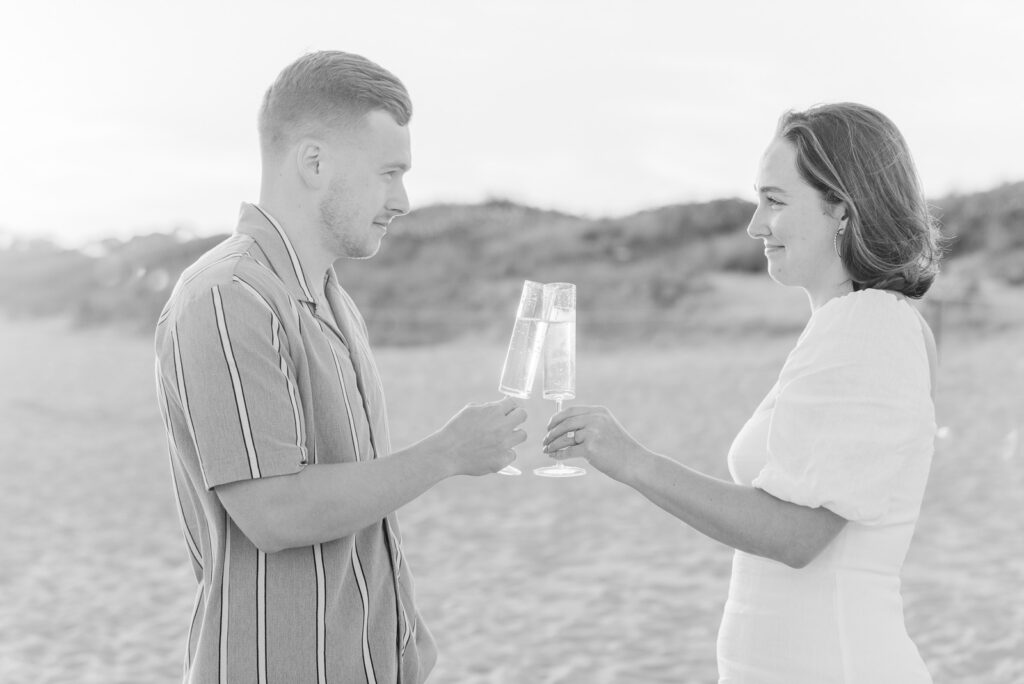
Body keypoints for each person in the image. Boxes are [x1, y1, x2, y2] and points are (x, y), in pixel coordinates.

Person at [153, 51, 526, 684]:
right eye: (389, 173)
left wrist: (406, 644)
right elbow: (274, 513)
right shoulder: (227, 296)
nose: (402, 200)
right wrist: (447, 453)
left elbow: (355, 508)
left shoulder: (332, 300)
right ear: (315, 161)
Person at [544, 102, 941, 683]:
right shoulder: (850, 325)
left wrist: (632, 461)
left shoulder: (869, 327)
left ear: (843, 211)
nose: (755, 225)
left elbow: (798, 534)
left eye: (775, 201)